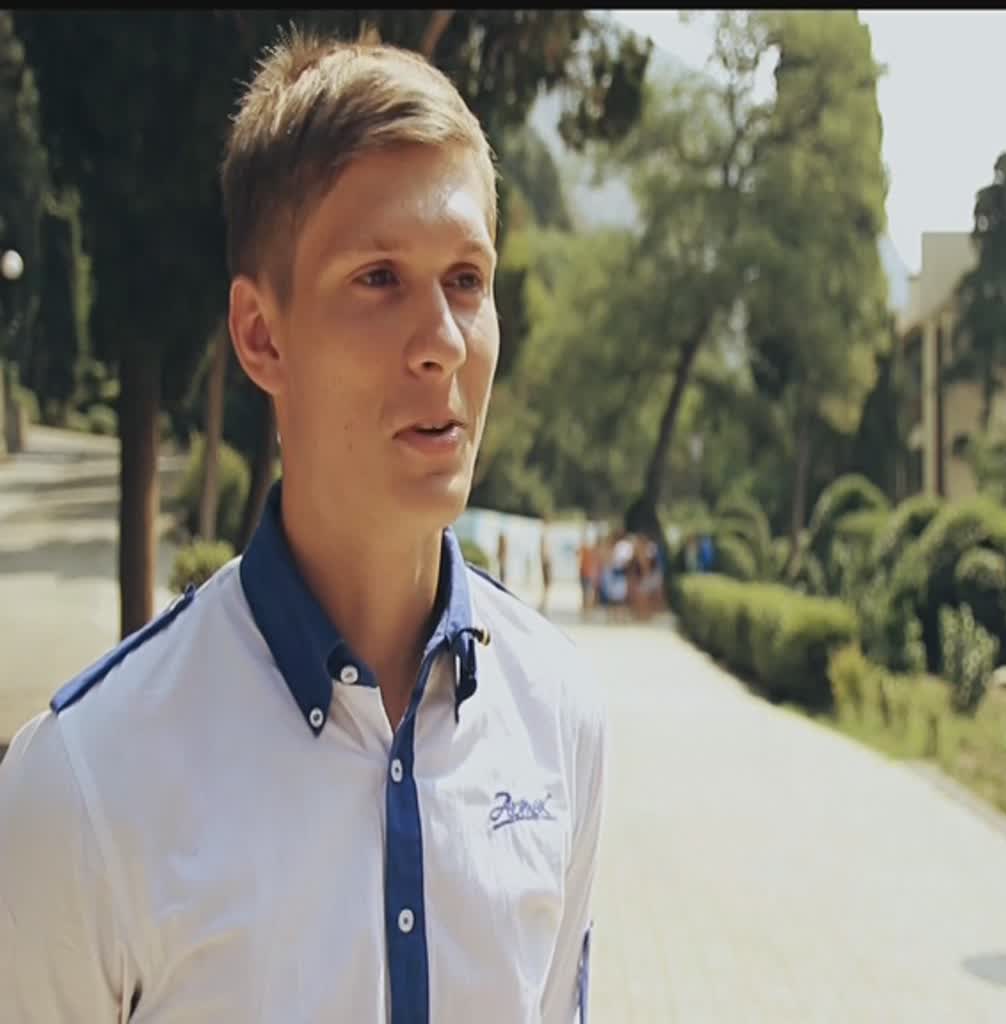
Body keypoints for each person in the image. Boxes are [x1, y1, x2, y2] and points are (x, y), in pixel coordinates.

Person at [0, 28, 606, 1024]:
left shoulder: (561, 716)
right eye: (379, 278)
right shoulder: (82, 786)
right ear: (260, 334)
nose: (442, 343)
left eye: (466, 279)